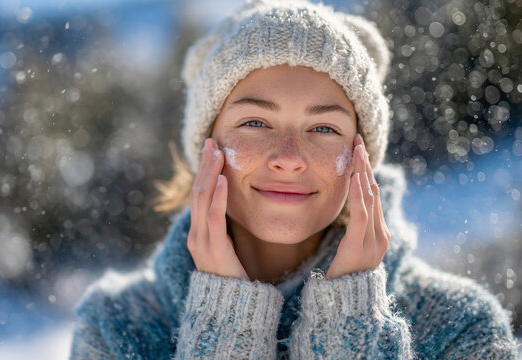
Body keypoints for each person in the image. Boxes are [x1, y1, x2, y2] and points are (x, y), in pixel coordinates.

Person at [69, 0, 517, 358]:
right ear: (206, 146)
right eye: (255, 123)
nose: (288, 159)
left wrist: (352, 320)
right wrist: (224, 319)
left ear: (362, 155)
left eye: (323, 129)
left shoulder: (460, 328)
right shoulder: (114, 329)